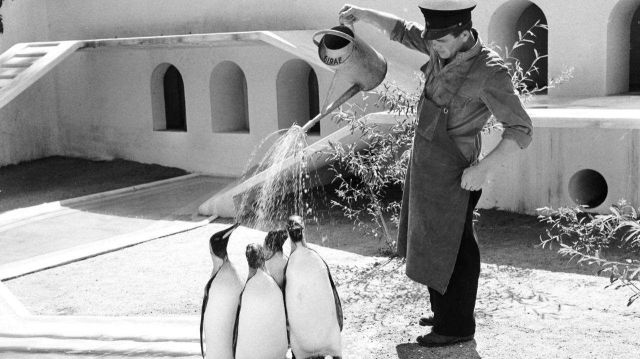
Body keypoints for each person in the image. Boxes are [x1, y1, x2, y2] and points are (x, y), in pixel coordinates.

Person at [338, 0, 533, 347]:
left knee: (455, 246)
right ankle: (443, 311)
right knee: (430, 238)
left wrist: (483, 169)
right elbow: (399, 30)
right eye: (433, 42)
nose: (435, 47)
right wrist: (362, 13)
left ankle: (457, 326)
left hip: (455, 166)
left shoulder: (490, 72)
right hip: (427, 159)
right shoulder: (438, 42)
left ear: (463, 34)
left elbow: (521, 129)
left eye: (442, 43)